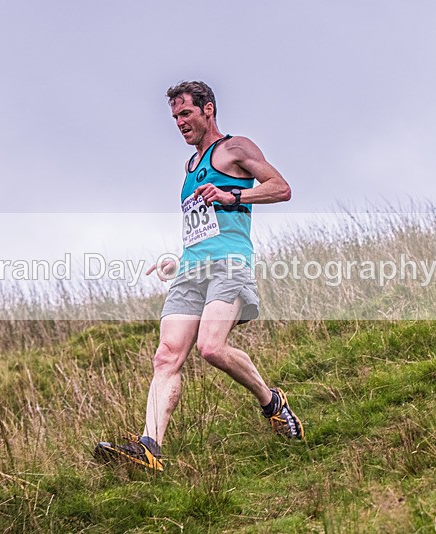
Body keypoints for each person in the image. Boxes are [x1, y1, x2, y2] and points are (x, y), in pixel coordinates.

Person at [95, 81, 301, 472]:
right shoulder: (189, 168)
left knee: (211, 348)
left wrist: (233, 196)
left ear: (208, 109)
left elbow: (281, 188)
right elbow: (204, 229)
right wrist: (179, 260)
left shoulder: (236, 148)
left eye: (185, 113)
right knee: (166, 355)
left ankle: (272, 402)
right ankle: (149, 448)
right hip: (191, 271)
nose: (179, 123)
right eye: (174, 117)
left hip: (230, 267)